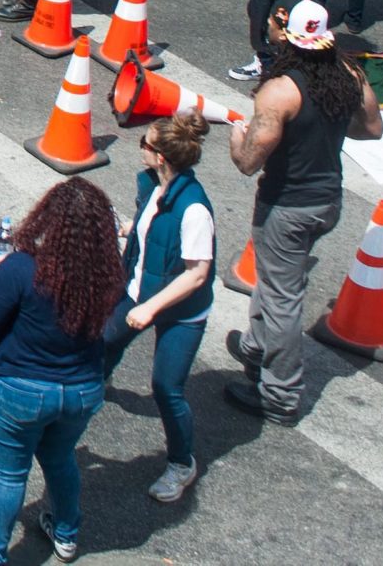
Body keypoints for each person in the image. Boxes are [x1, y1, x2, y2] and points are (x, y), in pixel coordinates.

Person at [225, 0, 382, 426]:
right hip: (328, 201)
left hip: (287, 206)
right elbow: (371, 129)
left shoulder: (280, 91)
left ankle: (280, 395)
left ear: (288, 37)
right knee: (280, 283)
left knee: (281, 301)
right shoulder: (348, 74)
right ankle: (256, 348)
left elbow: (249, 162)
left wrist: (238, 138)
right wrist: (326, 123)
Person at [0, 177, 120, 566]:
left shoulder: (21, 269)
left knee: (9, 474)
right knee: (60, 458)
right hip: (82, 390)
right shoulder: (106, 277)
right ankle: (66, 535)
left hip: (20, 389)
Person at [107, 112, 216, 505]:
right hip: (139, 291)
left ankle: (181, 463)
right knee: (103, 342)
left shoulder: (194, 209)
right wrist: (127, 228)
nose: (140, 148)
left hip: (180, 311)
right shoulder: (155, 186)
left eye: (145, 144)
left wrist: (150, 308)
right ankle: (90, 391)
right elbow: (151, 224)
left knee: (166, 388)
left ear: (162, 157)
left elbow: (197, 274)